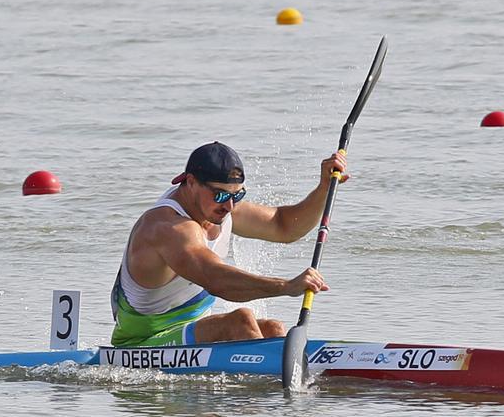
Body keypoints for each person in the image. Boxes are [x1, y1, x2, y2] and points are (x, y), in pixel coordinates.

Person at [110, 141, 348, 347]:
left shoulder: (217, 206)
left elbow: (284, 226)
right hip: (142, 343)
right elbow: (216, 280)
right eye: (221, 195)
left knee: (274, 328)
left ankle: (283, 390)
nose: (230, 206)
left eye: (238, 195)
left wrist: (324, 188)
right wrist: (286, 286)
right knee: (241, 321)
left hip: (188, 333)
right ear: (191, 182)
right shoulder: (168, 227)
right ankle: (273, 391)